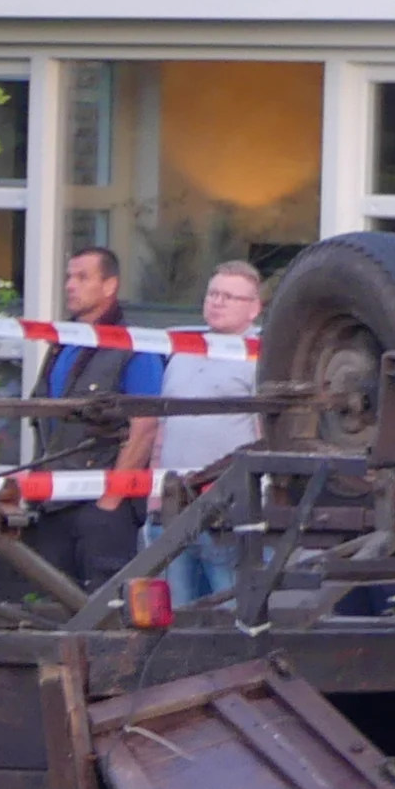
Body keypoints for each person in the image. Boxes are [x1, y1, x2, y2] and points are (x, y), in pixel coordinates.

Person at [35, 246, 160, 589]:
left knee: (104, 614)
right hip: (53, 503)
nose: (70, 286)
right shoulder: (63, 342)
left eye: (82, 277)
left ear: (110, 286)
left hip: (101, 507)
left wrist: (110, 500)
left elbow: (145, 428)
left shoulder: (135, 345)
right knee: (52, 611)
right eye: (68, 277)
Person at [149, 259, 266, 607]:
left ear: (254, 309)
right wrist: (153, 494)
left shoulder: (260, 357)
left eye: (229, 296)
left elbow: (267, 432)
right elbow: (163, 426)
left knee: (230, 612)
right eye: (213, 293)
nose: (217, 302)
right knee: (173, 613)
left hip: (230, 513)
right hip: (173, 507)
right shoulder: (183, 351)